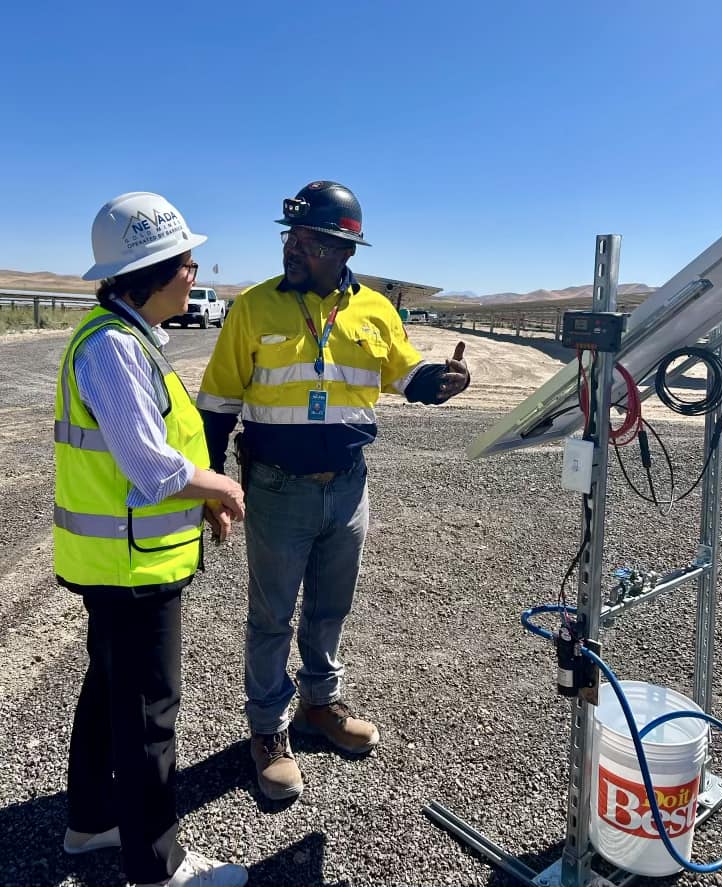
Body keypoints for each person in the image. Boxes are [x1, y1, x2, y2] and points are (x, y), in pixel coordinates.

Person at [197, 180, 469, 802]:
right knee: (271, 617)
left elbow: (406, 373)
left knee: (329, 608)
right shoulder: (253, 308)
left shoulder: (375, 309)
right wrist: (212, 486)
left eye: (309, 240)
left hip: (349, 488)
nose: (293, 247)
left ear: (343, 249)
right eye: (290, 236)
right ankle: (267, 729)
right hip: (275, 489)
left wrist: (442, 380)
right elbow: (216, 405)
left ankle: (319, 704)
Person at [54, 192, 249, 887]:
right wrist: (219, 489)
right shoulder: (112, 347)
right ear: (154, 272)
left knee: (110, 693)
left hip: (122, 559)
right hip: (130, 568)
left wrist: (197, 503)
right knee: (148, 717)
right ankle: (156, 867)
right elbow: (148, 463)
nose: (194, 272)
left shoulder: (126, 338)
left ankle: (91, 821)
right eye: (186, 261)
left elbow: (142, 458)